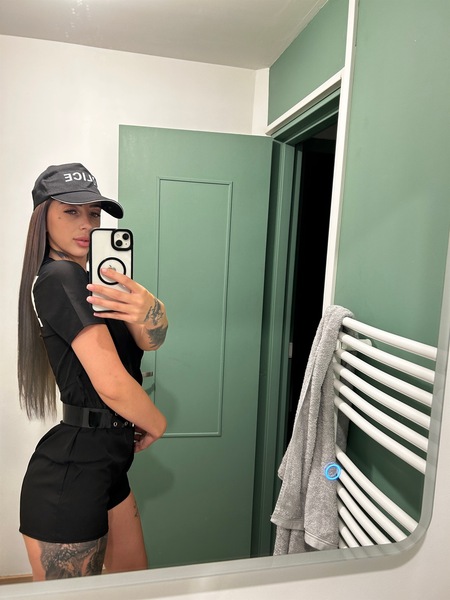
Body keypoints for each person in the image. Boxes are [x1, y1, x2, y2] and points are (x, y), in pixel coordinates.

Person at [17, 163, 168, 580]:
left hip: (107, 463)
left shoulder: (94, 283)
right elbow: (112, 384)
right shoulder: (59, 277)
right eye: (71, 211)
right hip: (74, 472)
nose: (87, 224)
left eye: (94, 213)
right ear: (43, 217)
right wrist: (157, 423)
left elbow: (150, 341)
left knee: (133, 584)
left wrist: (151, 307)